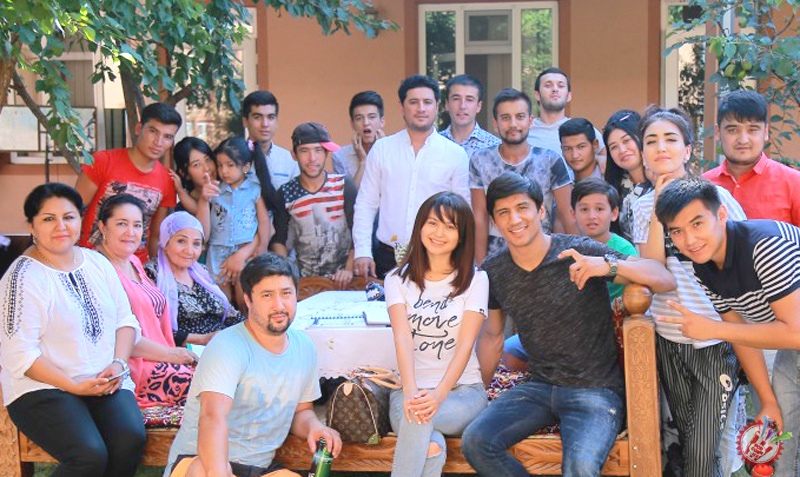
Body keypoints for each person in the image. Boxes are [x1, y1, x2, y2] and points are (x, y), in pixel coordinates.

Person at [460, 171, 675, 477]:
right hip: (539, 386)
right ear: (494, 221)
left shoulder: (579, 251)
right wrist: (478, 391)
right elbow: (493, 337)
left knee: (580, 466)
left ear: (541, 211)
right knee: (476, 441)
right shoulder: (495, 269)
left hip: (595, 388)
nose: (515, 219)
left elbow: (663, 279)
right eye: (503, 212)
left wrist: (607, 266)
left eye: (522, 208)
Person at [654, 177, 799, 477]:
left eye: (697, 224)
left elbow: (795, 333)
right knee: (779, 433)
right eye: (677, 231)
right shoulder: (703, 264)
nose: (689, 240)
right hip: (791, 347)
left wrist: (712, 329)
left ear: (721, 215)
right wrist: (767, 401)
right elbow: (740, 333)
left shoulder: (764, 247)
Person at [631, 107, 747, 477]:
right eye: (651, 141)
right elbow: (654, 272)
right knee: (688, 439)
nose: (661, 148)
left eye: (670, 139)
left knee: (701, 451)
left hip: (716, 338)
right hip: (669, 336)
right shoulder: (641, 206)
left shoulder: (715, 198)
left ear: (688, 149)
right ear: (643, 153)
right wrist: (657, 207)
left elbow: (741, 264)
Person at [0, 183, 146, 476]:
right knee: (88, 455)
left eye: (68, 217)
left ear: (81, 220)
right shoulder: (23, 277)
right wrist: (75, 386)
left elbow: (126, 321)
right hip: (44, 388)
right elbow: (21, 355)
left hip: (104, 380)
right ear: (32, 226)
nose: (61, 226)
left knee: (129, 440)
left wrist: (118, 364)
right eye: (48, 219)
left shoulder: (96, 263)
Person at [165, 253, 342, 477]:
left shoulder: (304, 347)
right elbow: (212, 417)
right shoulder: (227, 346)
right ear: (248, 300)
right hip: (202, 461)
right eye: (267, 295)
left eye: (286, 293)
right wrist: (218, 472)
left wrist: (315, 427)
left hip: (258, 468)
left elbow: (301, 411)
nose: (279, 305)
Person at [385, 192, 488, 477]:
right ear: (420, 226)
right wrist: (410, 392)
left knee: (417, 419)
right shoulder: (396, 279)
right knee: (431, 446)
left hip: (463, 393)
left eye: (450, 226)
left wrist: (438, 396)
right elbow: (402, 337)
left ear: (462, 235)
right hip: (408, 390)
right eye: (432, 223)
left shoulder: (476, 280)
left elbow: (465, 345)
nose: (439, 233)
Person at [501, 177, 638, 373]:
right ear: (573, 213)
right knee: (509, 351)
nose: (592, 216)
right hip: (562, 325)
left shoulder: (624, 250)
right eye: (584, 209)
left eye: (599, 209)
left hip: (604, 328)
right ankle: (550, 374)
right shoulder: (566, 247)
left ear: (614, 213)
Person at [353, 74, 470, 279]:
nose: (421, 108)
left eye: (427, 102)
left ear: (437, 107)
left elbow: (463, 210)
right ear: (401, 107)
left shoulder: (455, 154)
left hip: (438, 256)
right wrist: (362, 251)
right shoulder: (382, 149)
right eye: (414, 102)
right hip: (387, 256)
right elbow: (366, 202)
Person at [96, 194, 197, 408]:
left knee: (223, 371)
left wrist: (172, 354)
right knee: (209, 385)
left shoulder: (133, 261)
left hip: (162, 357)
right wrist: (171, 355)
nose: (131, 232)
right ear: (103, 227)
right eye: (122, 224)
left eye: (137, 225)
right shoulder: (98, 269)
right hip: (133, 368)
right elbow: (115, 337)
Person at [470, 88, 576, 264]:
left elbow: (567, 215)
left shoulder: (550, 160)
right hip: (497, 256)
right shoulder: (480, 160)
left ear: (530, 121)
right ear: (495, 124)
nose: (513, 124)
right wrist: (481, 267)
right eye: (505, 118)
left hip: (544, 256)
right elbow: (480, 217)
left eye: (520, 117)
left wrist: (576, 259)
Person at [76, 102, 180, 263]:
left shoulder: (167, 179)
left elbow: (155, 235)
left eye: (167, 137)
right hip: (92, 261)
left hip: (135, 266)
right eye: (153, 131)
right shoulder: (102, 161)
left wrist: (154, 269)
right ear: (138, 128)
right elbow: (73, 212)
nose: (158, 142)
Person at [271, 122, 357, 287]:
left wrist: (349, 268)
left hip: (347, 279)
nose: (312, 158)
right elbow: (279, 240)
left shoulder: (343, 185)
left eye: (318, 150)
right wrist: (286, 275)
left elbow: (358, 229)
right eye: (304, 151)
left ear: (326, 153)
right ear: (294, 155)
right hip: (306, 283)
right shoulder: (286, 193)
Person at [145, 212, 245, 347]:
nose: (189, 251)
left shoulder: (202, 272)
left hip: (222, 346)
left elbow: (231, 316)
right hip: (183, 351)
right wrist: (202, 339)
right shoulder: (151, 274)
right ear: (165, 243)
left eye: (196, 244)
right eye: (181, 241)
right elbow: (151, 327)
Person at [702, 89, 800, 227]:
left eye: (752, 130)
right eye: (732, 130)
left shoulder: (794, 184)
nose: (743, 140)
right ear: (718, 132)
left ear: (765, 132)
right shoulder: (703, 185)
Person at [196, 137, 271, 307]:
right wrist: (203, 199)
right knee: (222, 300)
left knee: (244, 298)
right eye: (220, 165)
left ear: (246, 167)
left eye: (230, 165)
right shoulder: (215, 190)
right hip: (218, 250)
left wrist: (263, 246)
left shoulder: (255, 190)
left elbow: (264, 220)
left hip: (245, 250)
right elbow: (203, 230)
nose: (224, 171)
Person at [527, 67, 606, 171]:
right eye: (548, 85)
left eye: (561, 86)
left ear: (569, 96)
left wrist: (598, 158)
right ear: (537, 95)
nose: (555, 89)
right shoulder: (525, 130)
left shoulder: (583, 129)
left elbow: (606, 159)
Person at [602, 110, 652, 242]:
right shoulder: (613, 189)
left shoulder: (661, 184)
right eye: (614, 147)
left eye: (626, 141)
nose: (622, 150)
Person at [242, 90, 300, 192]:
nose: (265, 124)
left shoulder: (289, 160)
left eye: (271, 117)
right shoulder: (233, 159)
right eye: (257, 117)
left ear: (276, 121)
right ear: (245, 121)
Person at [331, 91, 386, 189]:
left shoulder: (396, 152)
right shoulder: (340, 156)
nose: (366, 123)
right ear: (352, 124)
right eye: (359, 118)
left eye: (371, 117)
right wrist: (363, 162)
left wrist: (384, 152)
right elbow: (350, 196)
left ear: (382, 122)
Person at [439, 74, 500, 157]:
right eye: (456, 99)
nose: (462, 106)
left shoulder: (495, 147)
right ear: (447, 104)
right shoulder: (433, 144)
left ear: (479, 106)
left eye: (469, 100)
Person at [170, 137, 217, 215]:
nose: (206, 168)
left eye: (208, 159)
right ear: (185, 174)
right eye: (197, 165)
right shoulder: (182, 211)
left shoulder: (229, 189)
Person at [559, 117, 602, 182]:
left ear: (595, 145)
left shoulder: (610, 181)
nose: (575, 155)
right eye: (568, 149)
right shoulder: (562, 182)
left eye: (581, 147)